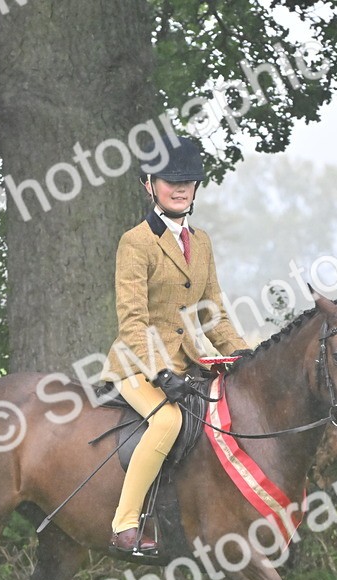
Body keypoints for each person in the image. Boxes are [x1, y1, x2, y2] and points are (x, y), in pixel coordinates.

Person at [103, 136, 249, 555]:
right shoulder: (136, 242)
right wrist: (160, 371)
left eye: (188, 181)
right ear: (149, 185)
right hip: (137, 365)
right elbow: (133, 321)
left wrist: (244, 355)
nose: (180, 188)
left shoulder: (200, 243)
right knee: (167, 422)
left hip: (187, 364)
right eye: (171, 181)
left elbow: (212, 312)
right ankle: (125, 524)